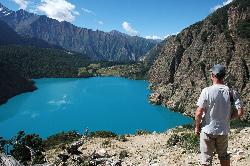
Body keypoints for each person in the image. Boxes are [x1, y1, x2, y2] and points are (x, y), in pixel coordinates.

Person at [195, 64, 244, 166]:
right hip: (223, 131)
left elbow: (199, 112)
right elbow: (240, 112)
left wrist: (197, 126)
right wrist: (228, 118)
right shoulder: (231, 92)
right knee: (224, 156)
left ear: (213, 75)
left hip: (207, 131)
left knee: (206, 160)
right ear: (223, 76)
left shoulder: (206, 91)